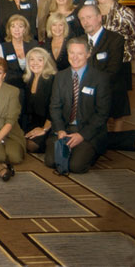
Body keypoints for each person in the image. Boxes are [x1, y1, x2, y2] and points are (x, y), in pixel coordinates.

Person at [45, 39, 109, 174]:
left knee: (76, 166)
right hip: (65, 128)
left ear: (88, 54)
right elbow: (55, 107)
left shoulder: (100, 78)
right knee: (51, 162)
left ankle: (88, 151)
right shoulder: (60, 76)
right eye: (71, 53)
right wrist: (60, 130)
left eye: (79, 54)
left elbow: (102, 113)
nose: (75, 57)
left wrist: (82, 135)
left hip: (88, 131)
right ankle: (72, 149)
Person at [95, 0, 135, 132]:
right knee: (99, 97)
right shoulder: (92, 11)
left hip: (119, 62)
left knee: (118, 99)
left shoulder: (124, 12)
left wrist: (121, 54)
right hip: (97, 63)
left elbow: (134, 37)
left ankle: (117, 134)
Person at [77, 4, 128, 134]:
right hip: (86, 92)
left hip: (111, 89)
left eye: (89, 17)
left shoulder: (115, 39)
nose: (85, 22)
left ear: (99, 18)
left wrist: (91, 86)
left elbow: (113, 70)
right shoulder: (79, 41)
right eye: (82, 18)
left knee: (112, 140)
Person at [21, 47, 57, 153]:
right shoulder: (28, 80)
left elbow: (54, 109)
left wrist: (44, 129)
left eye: (39, 60)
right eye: (32, 59)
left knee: (30, 145)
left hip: (50, 124)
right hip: (34, 123)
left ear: (46, 62)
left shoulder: (52, 79)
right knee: (18, 142)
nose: (35, 63)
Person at [1, 15, 37, 90]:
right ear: (9, 29)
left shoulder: (33, 45)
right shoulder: (3, 47)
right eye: (13, 26)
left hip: (32, 83)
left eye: (20, 26)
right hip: (11, 85)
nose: (16, 30)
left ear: (25, 29)